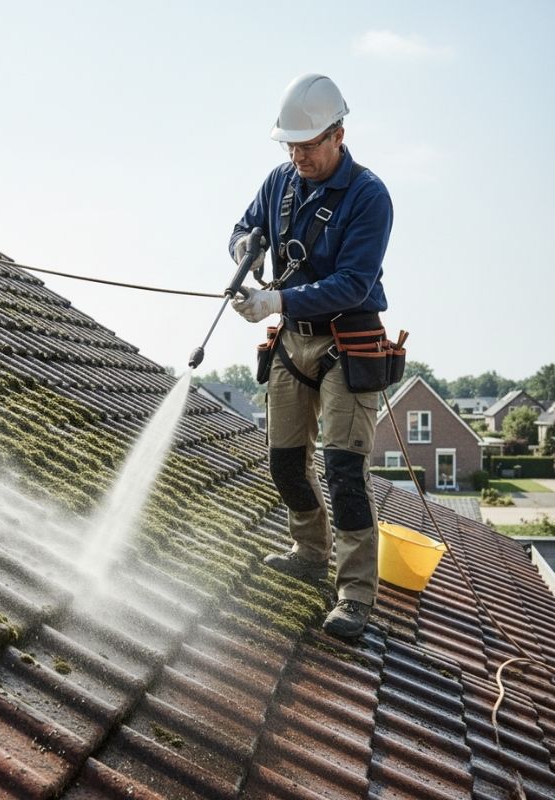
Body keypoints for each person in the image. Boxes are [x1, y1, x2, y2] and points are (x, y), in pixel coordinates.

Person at [229, 73, 393, 638]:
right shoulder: (280, 182)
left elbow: (352, 282)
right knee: (284, 460)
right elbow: (244, 227)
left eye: (308, 145)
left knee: (344, 471)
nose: (297, 156)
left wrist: (275, 298)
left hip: (348, 342)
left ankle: (354, 594)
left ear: (338, 136)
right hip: (292, 340)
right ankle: (307, 552)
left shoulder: (370, 197)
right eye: (290, 146)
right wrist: (244, 250)